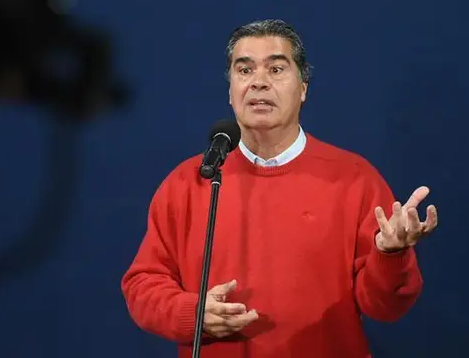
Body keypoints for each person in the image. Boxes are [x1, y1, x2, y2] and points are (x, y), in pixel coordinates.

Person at [121, 19, 439, 357]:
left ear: (303, 88)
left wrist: (391, 254)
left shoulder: (355, 179)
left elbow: (385, 308)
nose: (259, 82)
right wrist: (192, 313)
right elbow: (142, 286)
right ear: (230, 91)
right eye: (244, 70)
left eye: (275, 69)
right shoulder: (192, 181)